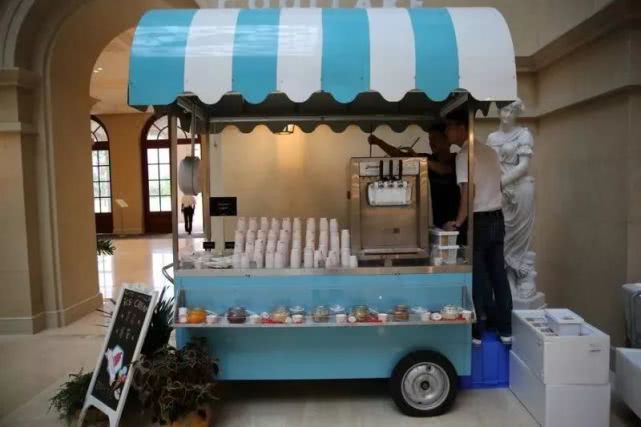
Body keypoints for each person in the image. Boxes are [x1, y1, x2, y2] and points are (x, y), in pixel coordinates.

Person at [443, 109, 513, 345]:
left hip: (479, 221)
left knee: (479, 276)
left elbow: (468, 192)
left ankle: (477, 332)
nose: (446, 132)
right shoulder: (491, 152)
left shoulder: (464, 155)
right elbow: (499, 186)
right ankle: (505, 329)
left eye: (449, 127)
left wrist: (458, 221)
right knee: (499, 275)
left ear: (462, 128)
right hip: (497, 218)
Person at [367, 125, 461, 231]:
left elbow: (443, 169)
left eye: (435, 138)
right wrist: (379, 142)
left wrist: (419, 159)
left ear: (447, 140)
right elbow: (399, 155)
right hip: (435, 216)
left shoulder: (457, 158)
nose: (431, 143)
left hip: (454, 217)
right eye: (430, 139)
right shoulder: (427, 158)